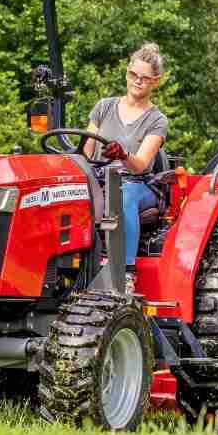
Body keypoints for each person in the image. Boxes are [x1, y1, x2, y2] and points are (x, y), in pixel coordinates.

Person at [84, 42, 170, 294]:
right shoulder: (104, 107)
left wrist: (122, 155)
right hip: (99, 178)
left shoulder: (157, 120)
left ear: (155, 82)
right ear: (127, 73)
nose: (137, 81)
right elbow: (86, 151)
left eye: (145, 78)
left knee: (123, 195)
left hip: (137, 183)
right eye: (134, 74)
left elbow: (141, 164)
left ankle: (126, 272)